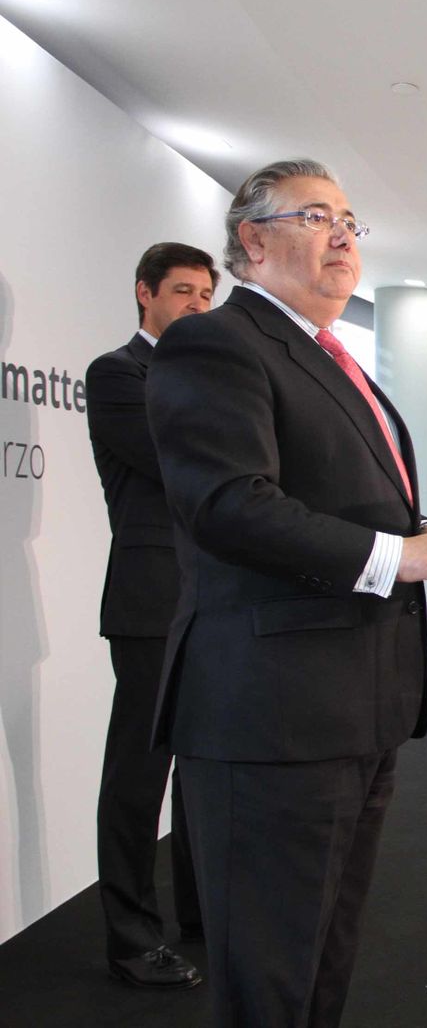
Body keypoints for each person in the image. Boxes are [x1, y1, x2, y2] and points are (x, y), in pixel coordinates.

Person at [145, 159, 427, 1026]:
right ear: (253, 242)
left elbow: (346, 504)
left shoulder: (337, 363)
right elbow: (230, 505)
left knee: (323, 967)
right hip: (271, 718)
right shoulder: (214, 343)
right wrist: (397, 555)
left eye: (349, 219)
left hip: (355, 708)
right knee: (270, 981)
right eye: (315, 216)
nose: (343, 234)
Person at [85, 242, 215, 990]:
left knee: (203, 763)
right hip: (147, 599)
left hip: (208, 598)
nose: (196, 306)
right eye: (182, 292)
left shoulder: (203, 381)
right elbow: (182, 462)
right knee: (138, 776)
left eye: (205, 296)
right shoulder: (118, 373)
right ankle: (131, 939)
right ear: (145, 294)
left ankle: (199, 916)